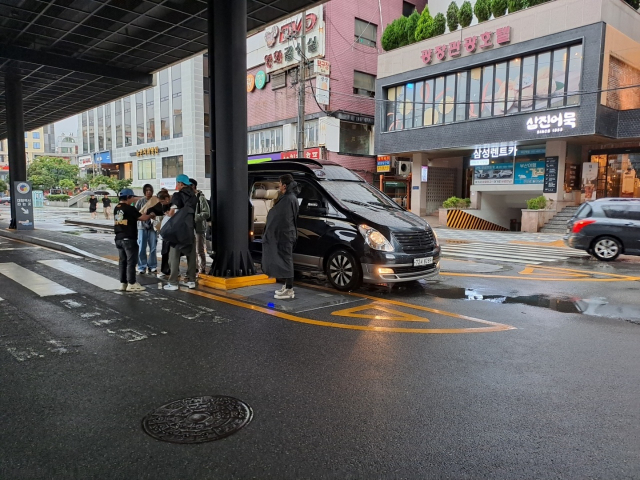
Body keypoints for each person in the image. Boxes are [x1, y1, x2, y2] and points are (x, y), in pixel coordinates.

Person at [262, 174, 299, 300]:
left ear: (284, 185)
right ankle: (287, 286)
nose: (278, 186)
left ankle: (289, 290)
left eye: (280, 183)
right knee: (286, 259)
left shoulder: (287, 199)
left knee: (287, 260)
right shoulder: (292, 197)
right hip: (288, 234)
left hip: (285, 235)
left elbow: (280, 218)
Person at [113, 188, 155, 292]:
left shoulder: (116, 208)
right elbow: (143, 218)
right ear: (128, 197)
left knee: (122, 261)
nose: (133, 199)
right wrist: (151, 215)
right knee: (131, 262)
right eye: (132, 197)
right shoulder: (130, 208)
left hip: (118, 238)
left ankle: (123, 283)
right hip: (129, 238)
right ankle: (132, 283)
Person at [164, 174, 198, 290]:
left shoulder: (177, 195)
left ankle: (173, 282)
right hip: (190, 228)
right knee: (191, 255)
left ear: (180, 183)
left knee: (174, 256)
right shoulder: (194, 196)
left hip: (178, 230)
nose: (176, 185)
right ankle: (191, 280)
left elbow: (172, 212)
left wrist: (168, 215)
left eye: (177, 183)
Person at [146, 191, 172, 279]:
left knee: (174, 253)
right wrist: (152, 213)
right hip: (166, 231)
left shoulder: (174, 204)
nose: (161, 203)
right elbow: (151, 209)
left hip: (174, 230)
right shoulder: (162, 205)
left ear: (167, 198)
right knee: (165, 251)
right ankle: (165, 270)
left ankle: (174, 270)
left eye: (162, 201)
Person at [135, 184, 159, 275]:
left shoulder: (155, 201)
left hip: (153, 227)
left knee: (153, 247)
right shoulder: (140, 201)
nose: (148, 192)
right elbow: (136, 214)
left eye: (150, 190)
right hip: (142, 227)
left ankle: (152, 265)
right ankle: (142, 266)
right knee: (141, 247)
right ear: (144, 191)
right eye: (147, 190)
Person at [190, 178, 210, 274]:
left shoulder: (201, 198)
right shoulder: (188, 197)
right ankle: (194, 268)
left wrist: (195, 217)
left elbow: (207, 213)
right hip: (190, 227)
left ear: (193, 186)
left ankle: (202, 268)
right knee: (191, 250)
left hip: (199, 227)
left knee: (199, 249)